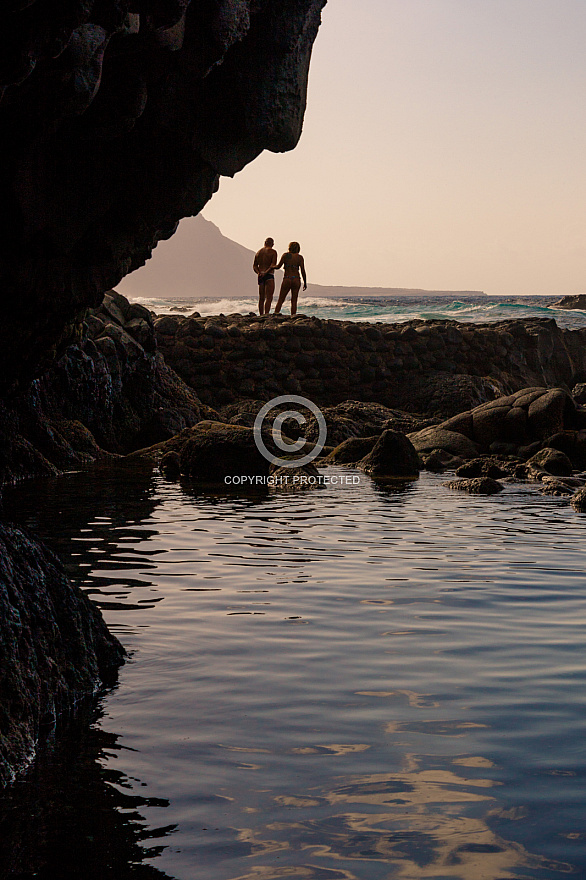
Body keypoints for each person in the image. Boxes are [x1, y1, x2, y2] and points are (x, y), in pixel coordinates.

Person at [273, 242, 307, 316]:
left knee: (281, 299)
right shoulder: (299, 257)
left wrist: (271, 266)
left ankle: (276, 314)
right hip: (296, 279)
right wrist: (305, 282)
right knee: (294, 300)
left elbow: (278, 266)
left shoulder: (285, 255)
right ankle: (293, 316)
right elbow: (303, 270)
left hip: (287, 278)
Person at [253, 237, 278, 315]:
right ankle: (266, 314)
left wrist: (259, 273)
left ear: (265, 243)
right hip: (269, 275)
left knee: (261, 298)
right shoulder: (273, 252)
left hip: (260, 275)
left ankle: (261, 314)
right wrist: (266, 273)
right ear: (272, 244)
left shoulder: (258, 252)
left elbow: (254, 266)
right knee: (269, 297)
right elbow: (272, 265)